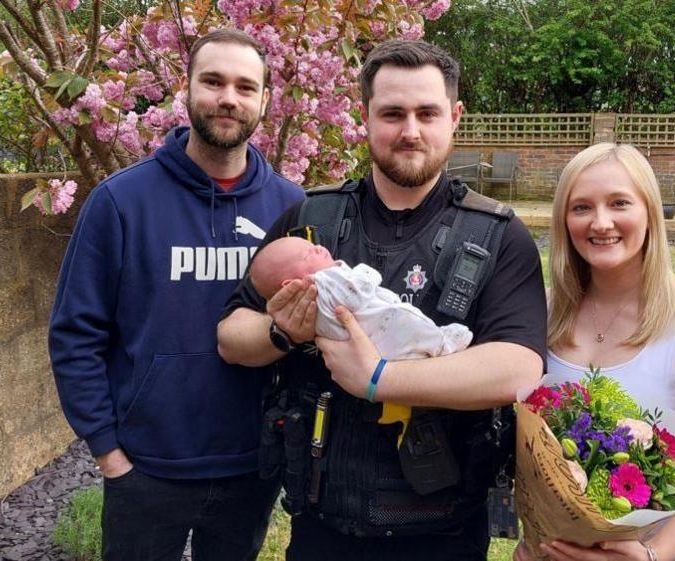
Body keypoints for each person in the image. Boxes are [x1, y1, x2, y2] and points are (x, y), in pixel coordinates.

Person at [217, 40, 547, 560]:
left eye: (427, 113)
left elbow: (519, 367)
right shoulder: (310, 222)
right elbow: (231, 336)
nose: (410, 131)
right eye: (392, 113)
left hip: (443, 535)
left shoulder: (497, 237)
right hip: (321, 528)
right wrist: (280, 332)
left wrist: (378, 378)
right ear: (365, 115)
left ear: (454, 117)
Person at [48, 29, 305, 561]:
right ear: (185, 89)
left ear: (263, 101)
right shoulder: (120, 202)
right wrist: (108, 451)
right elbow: (75, 334)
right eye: (212, 81)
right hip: (146, 470)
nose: (228, 98)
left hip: (249, 468)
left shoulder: (292, 207)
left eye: (244, 86)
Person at [515, 143, 675, 561]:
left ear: (650, 212)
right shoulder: (544, 314)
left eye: (619, 203)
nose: (600, 222)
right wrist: (536, 535)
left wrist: (651, 554)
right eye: (581, 207)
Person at [248, 236, 473, 358]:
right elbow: (357, 292)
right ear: (290, 285)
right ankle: (442, 343)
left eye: (313, 245)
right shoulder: (324, 282)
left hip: (376, 349)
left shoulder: (315, 305)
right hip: (387, 325)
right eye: (308, 253)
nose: (318, 247)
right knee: (410, 319)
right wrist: (366, 272)